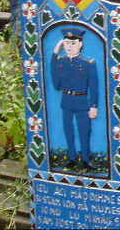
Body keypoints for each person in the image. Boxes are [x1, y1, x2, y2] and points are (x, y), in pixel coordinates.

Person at [51, 27, 99, 171]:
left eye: (73, 43)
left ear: (80, 44)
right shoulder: (61, 61)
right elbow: (56, 84)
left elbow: (93, 86)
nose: (69, 47)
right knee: (68, 130)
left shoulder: (87, 63)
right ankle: (72, 158)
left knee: (84, 130)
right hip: (66, 100)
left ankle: (85, 159)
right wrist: (55, 52)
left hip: (82, 101)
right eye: (66, 43)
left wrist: (94, 105)